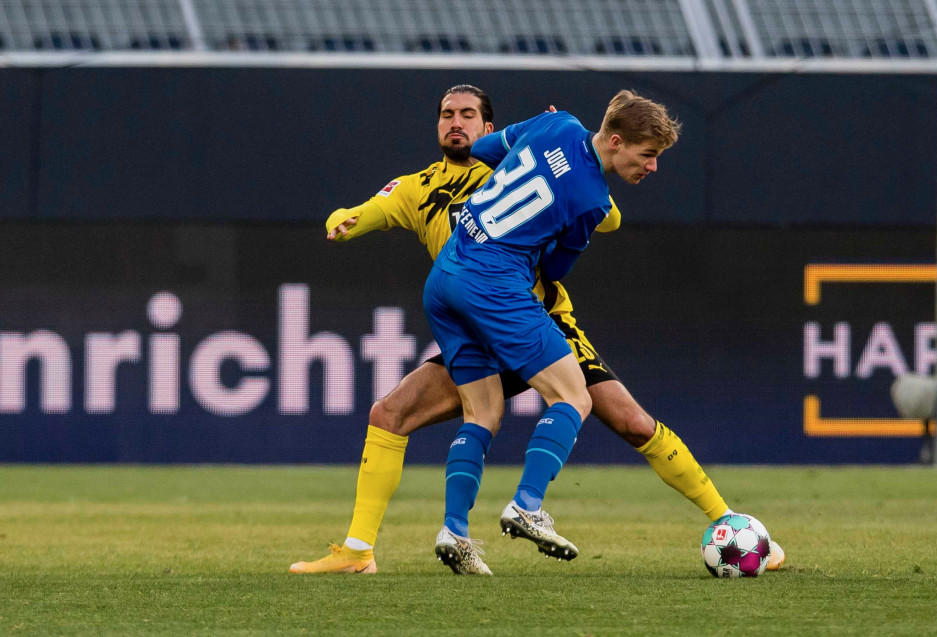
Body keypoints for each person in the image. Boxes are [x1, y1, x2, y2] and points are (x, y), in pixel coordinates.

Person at [289, 85, 785, 575]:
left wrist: (555, 156)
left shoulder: (537, 140)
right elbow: (371, 210)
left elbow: (585, 194)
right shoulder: (420, 187)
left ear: (488, 126)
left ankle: (727, 519)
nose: (455, 122)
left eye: (467, 114)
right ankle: (372, 547)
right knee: (407, 412)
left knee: (618, 421)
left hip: (497, 300)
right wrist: (347, 218)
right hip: (498, 304)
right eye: (446, 113)